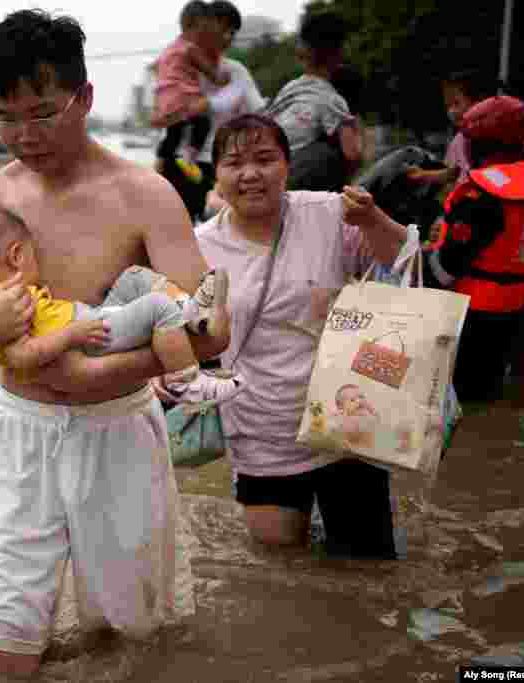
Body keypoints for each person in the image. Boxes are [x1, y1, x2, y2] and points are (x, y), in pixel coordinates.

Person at [0, 10, 230, 680]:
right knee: (9, 648)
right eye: (6, 116)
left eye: (43, 112)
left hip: (117, 429)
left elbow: (210, 327)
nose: (24, 134)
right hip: (19, 432)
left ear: (85, 97)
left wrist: (96, 375)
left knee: (129, 636)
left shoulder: (144, 195)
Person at [181, 113, 407, 558]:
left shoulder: (329, 214)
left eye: (265, 159)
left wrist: (373, 220)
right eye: (233, 163)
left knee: (367, 566)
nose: (250, 174)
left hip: (348, 418)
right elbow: (184, 335)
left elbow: (403, 264)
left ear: (287, 164)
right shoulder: (198, 247)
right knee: (279, 567)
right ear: (217, 175)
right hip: (260, 427)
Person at [0, 200, 241, 405]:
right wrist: (71, 335)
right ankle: (185, 382)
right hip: (88, 336)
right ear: (16, 256)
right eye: (33, 253)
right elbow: (22, 358)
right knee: (157, 307)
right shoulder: (0, 302)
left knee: (134, 277)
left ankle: (190, 310)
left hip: (91, 320)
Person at [421, 95, 524, 401]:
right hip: (514, 306)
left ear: (476, 145)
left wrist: (421, 263)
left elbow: (447, 267)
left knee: (455, 399)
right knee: (489, 392)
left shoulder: (479, 195)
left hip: (470, 314)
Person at [164, 0, 264, 222]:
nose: (228, 37)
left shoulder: (236, 71)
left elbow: (259, 114)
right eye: (223, 28)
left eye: (233, 32)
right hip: (181, 163)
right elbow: (168, 115)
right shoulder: (181, 68)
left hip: (220, 165)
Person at [265, 11, 361, 192]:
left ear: (302, 50)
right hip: (292, 180)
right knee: (331, 153)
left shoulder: (289, 89)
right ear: (338, 54)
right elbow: (352, 153)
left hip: (268, 168)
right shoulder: (332, 99)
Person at [151, 0, 233, 185]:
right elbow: (212, 74)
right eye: (203, 30)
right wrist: (223, 79)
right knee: (202, 122)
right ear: (194, 26)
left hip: (166, 99)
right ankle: (189, 157)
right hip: (185, 97)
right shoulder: (190, 48)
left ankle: (159, 164)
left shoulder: (169, 49)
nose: (205, 36)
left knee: (173, 134)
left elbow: (156, 68)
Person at [406, 69, 499, 191]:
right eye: (448, 106)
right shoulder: (459, 141)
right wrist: (423, 174)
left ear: (479, 102)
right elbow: (452, 174)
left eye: (456, 103)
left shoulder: (501, 132)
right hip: (470, 202)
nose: (451, 112)